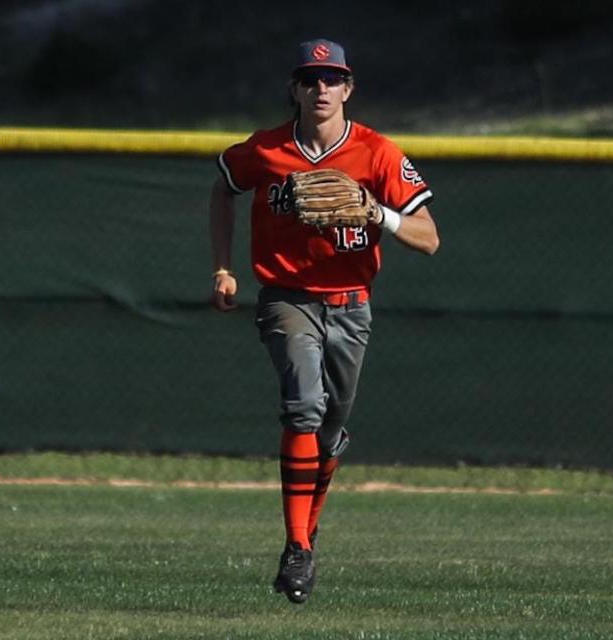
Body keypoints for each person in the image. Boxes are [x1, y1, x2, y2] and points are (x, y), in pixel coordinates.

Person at [208, 38, 439, 604]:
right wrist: (223, 267)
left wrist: (376, 211)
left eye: (331, 79)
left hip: (351, 304)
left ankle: (306, 538)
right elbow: (224, 186)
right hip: (287, 297)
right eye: (310, 79)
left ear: (348, 88)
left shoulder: (378, 153)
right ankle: (297, 546)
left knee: (331, 432)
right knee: (303, 406)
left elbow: (429, 239)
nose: (321, 89)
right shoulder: (266, 150)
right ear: (294, 88)